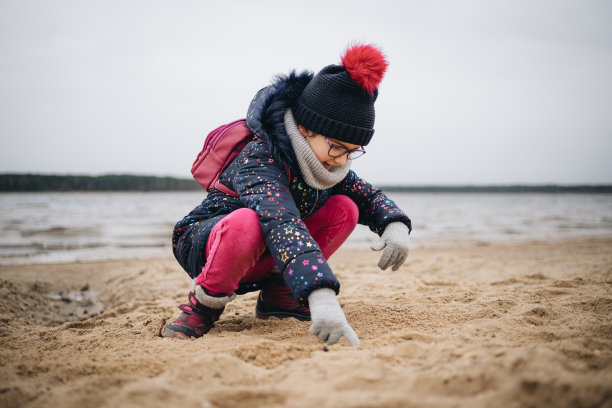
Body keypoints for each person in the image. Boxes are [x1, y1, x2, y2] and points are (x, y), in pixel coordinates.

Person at [163, 44, 412, 346]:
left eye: (353, 151)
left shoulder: (327, 164)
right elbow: (281, 221)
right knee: (247, 222)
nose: (343, 160)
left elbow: (366, 195)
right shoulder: (261, 157)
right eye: (337, 146)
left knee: (345, 207)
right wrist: (320, 294)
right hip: (209, 245)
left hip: (270, 252)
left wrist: (395, 224)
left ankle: (280, 299)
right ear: (306, 129)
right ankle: (202, 307)